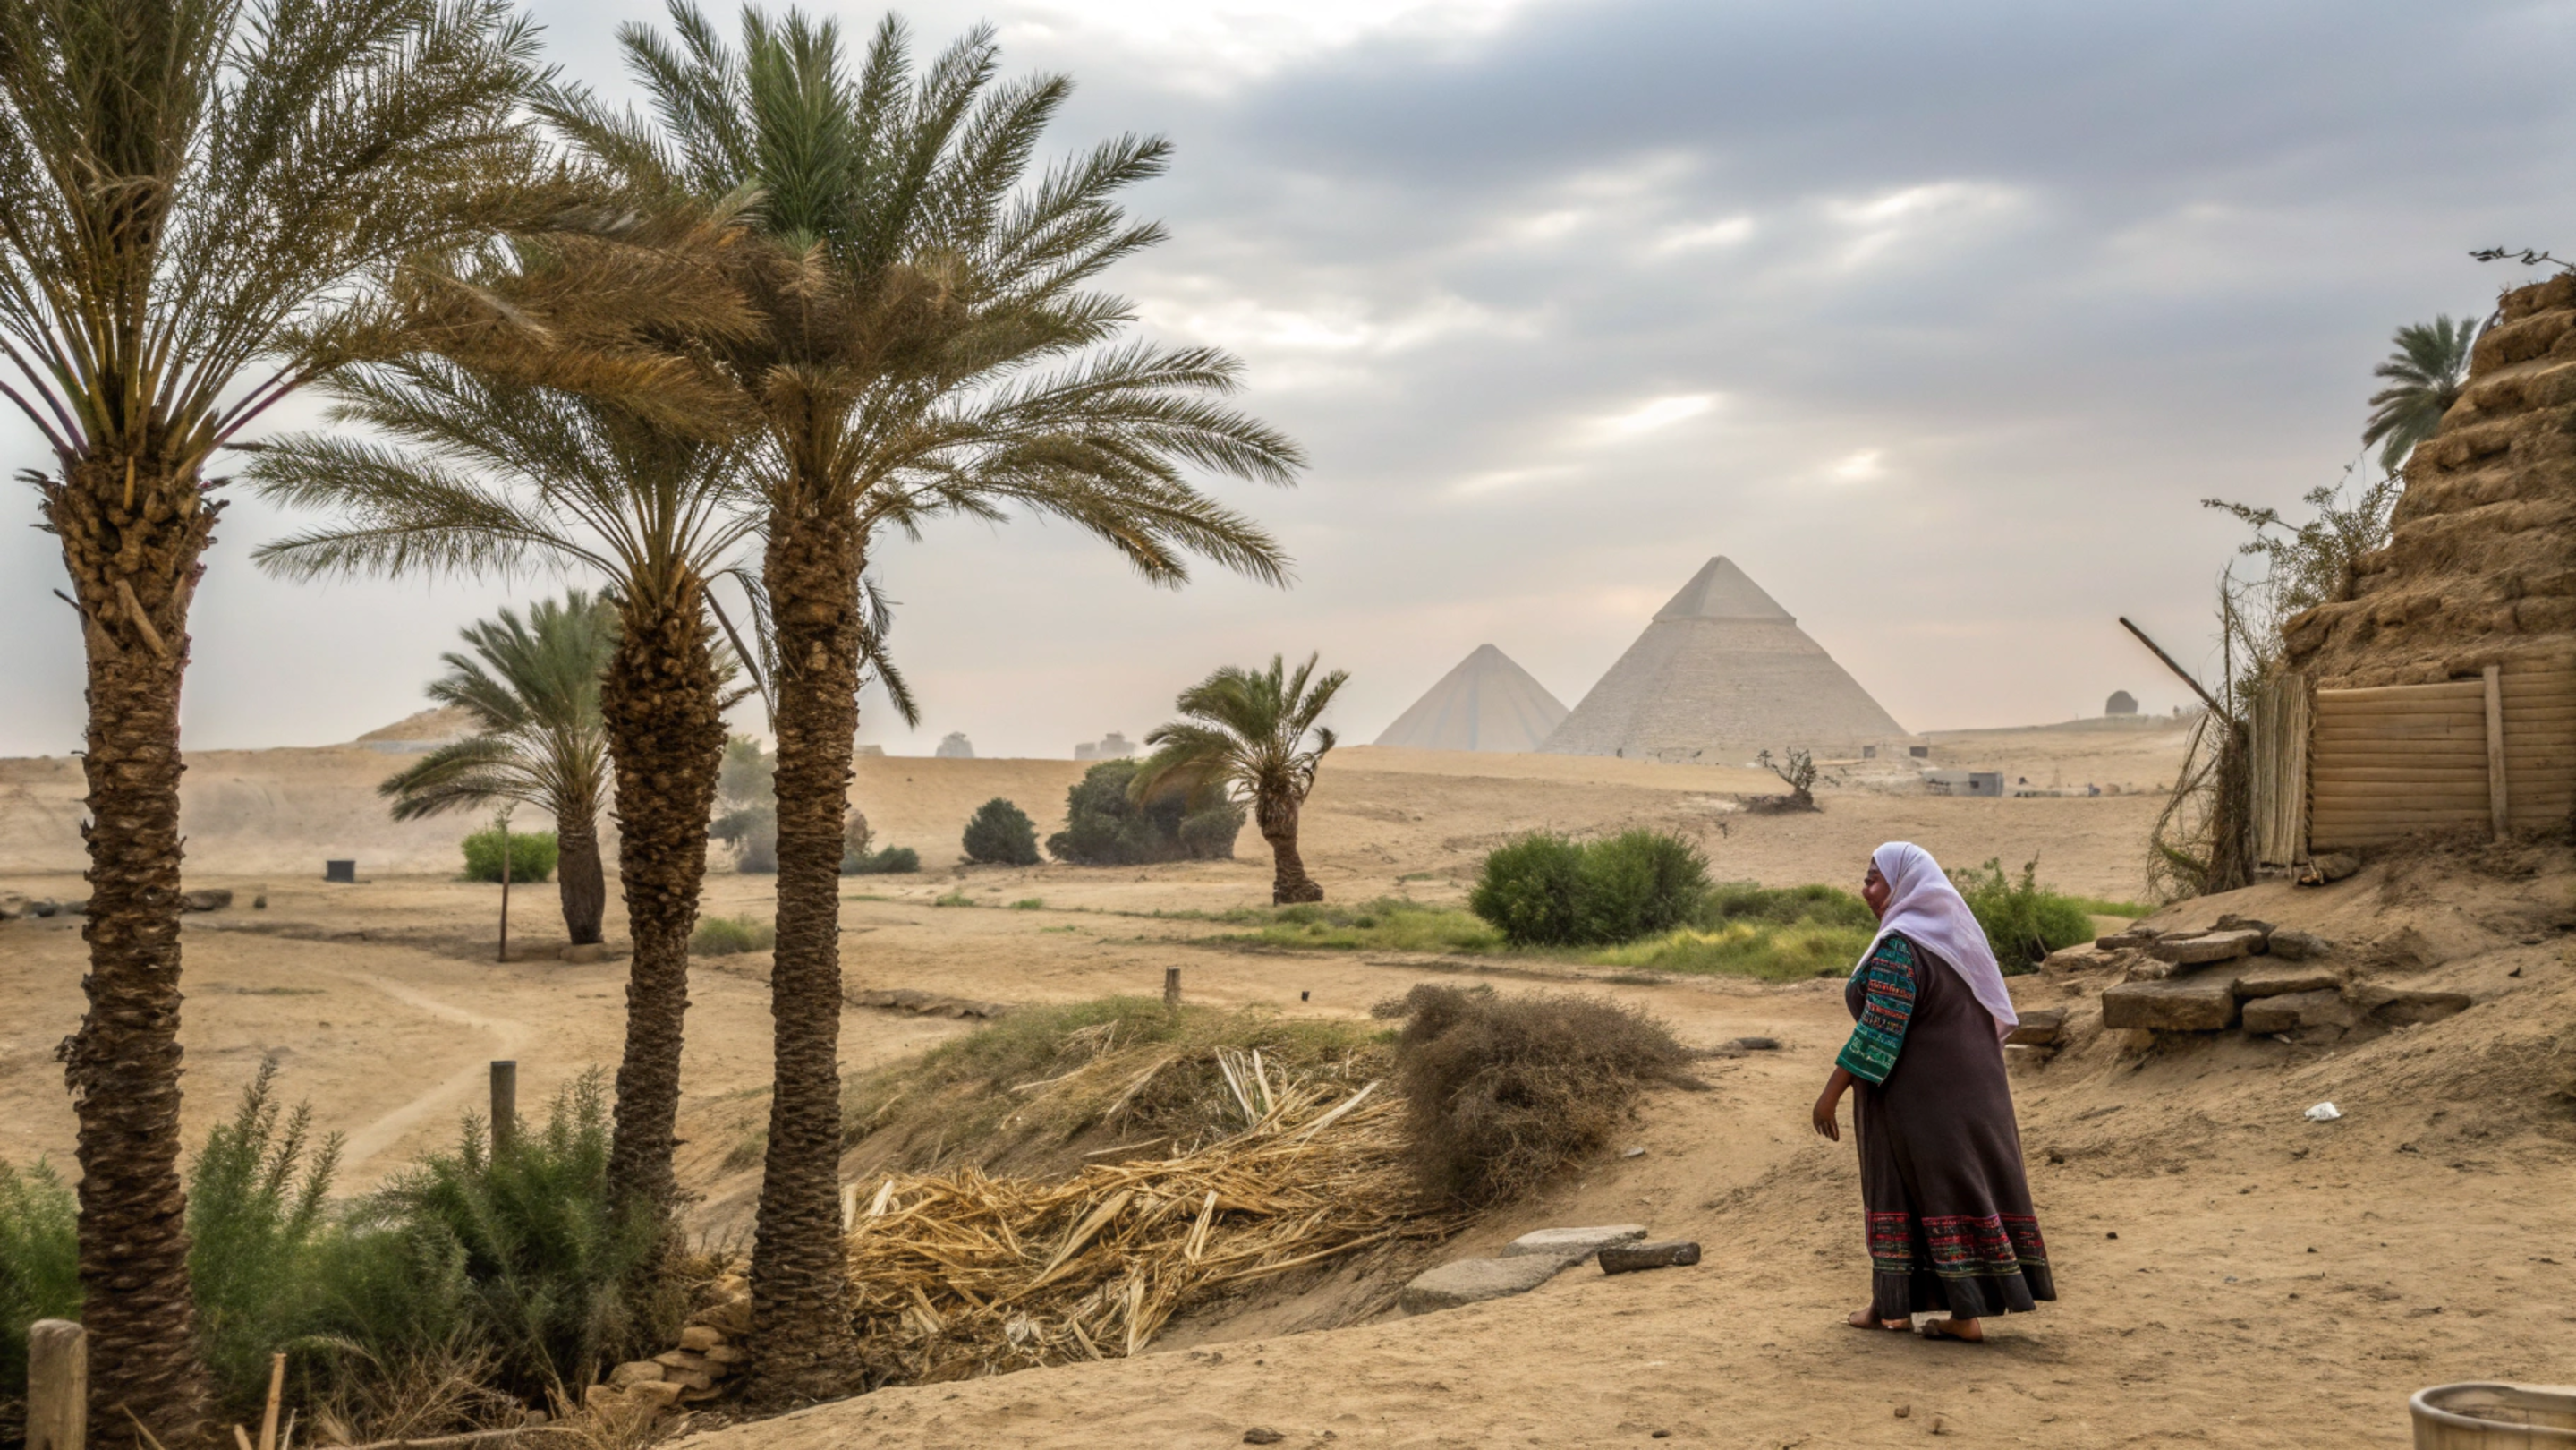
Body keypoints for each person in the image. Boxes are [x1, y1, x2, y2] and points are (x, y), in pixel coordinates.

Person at [1811, 841, 2055, 1342]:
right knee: (1938, 1190)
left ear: (1902, 884)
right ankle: (1898, 1308)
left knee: (1918, 1189)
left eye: (1873, 879)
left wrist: (1829, 1094)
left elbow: (1879, 1032)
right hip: (1963, 1092)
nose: (1864, 890)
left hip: (1923, 1100)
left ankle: (1935, 1313)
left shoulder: (1902, 945)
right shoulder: (1949, 938)